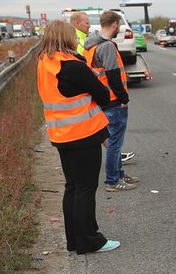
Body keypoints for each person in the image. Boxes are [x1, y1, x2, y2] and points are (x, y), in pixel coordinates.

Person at [36, 19, 120, 254]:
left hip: (61, 134)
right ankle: (91, 241)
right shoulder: (73, 65)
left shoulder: (45, 62)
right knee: (85, 188)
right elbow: (103, 95)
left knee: (72, 186)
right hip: (84, 134)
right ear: (67, 38)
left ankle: (74, 241)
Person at [83, 10, 139, 192]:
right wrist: (124, 99)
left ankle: (119, 174)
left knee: (113, 140)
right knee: (115, 142)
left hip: (102, 98)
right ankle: (112, 181)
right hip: (113, 100)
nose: (119, 29)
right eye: (119, 26)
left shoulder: (90, 44)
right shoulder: (106, 46)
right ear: (114, 24)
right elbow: (113, 75)